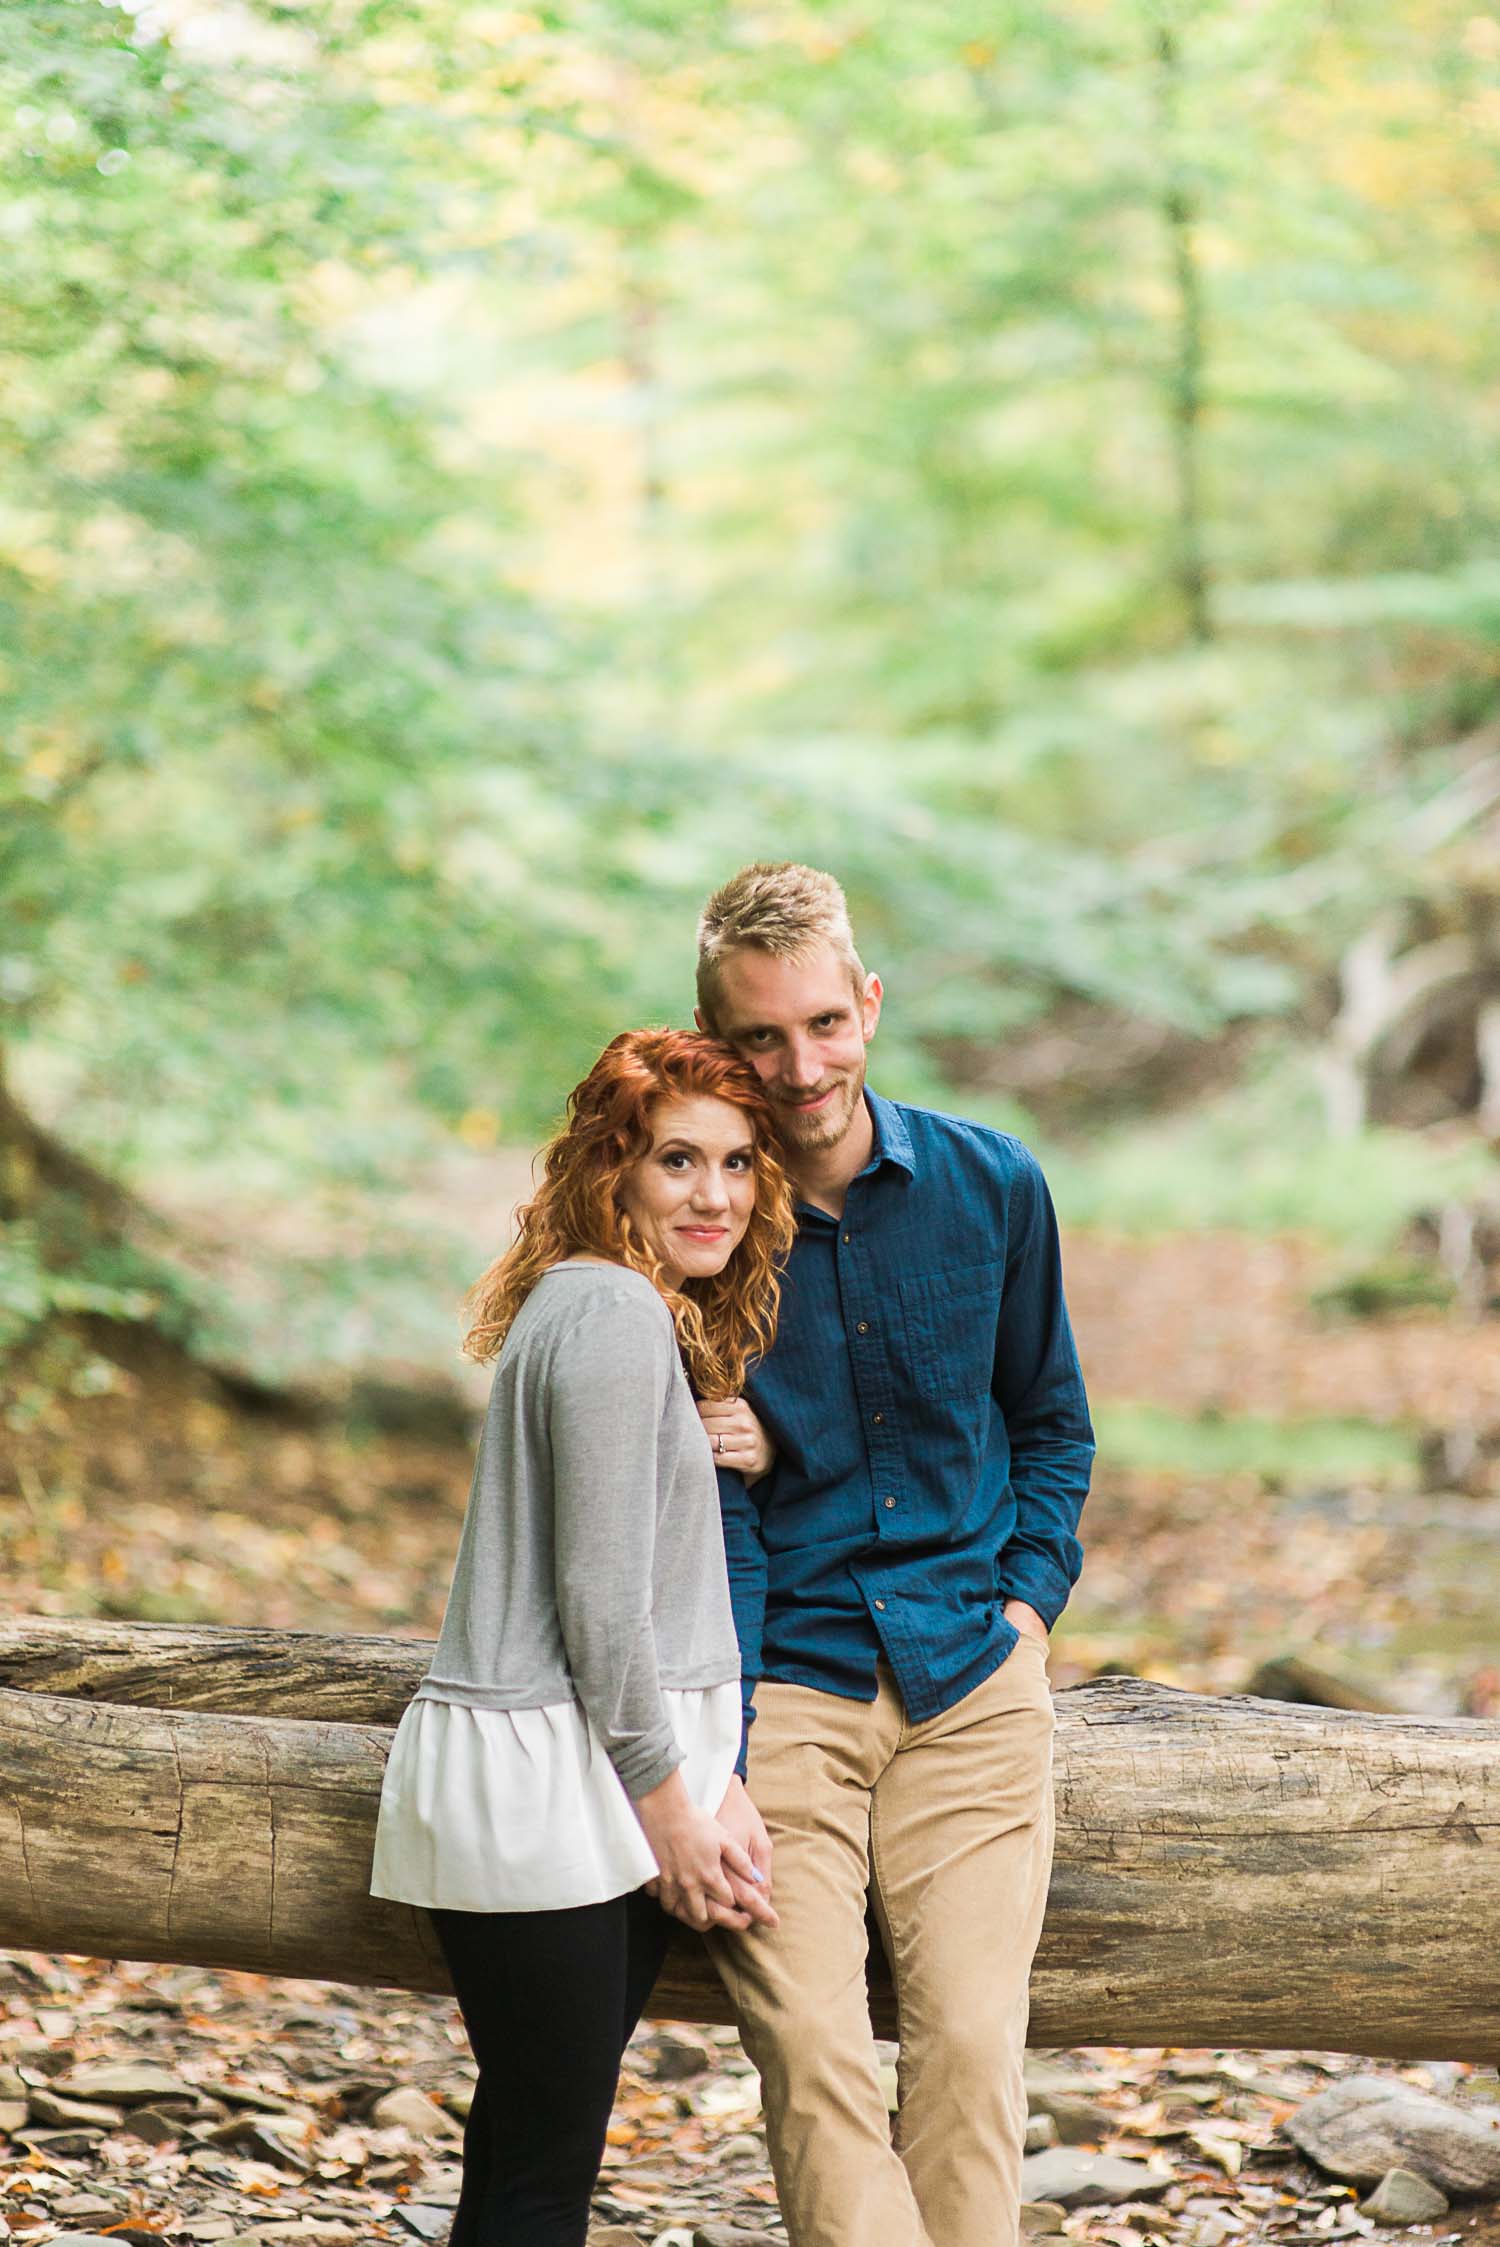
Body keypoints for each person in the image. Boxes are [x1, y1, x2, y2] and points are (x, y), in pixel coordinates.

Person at [692, 863, 1095, 2247]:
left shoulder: (994, 1185)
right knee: (811, 2055)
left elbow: (1052, 1422)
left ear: (868, 1003)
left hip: (971, 1675)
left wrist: (1030, 1611)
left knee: (973, 2049)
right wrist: (719, 1729)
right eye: (758, 1034)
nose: (798, 1066)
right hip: (783, 1685)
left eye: (821, 1022)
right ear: (715, 1036)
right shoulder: (698, 1224)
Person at [370, 1027, 795, 2247]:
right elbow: (601, 1604)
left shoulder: (594, 1305)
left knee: (520, 2152)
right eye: (677, 1160)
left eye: (737, 1162)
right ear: (614, 1173)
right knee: (542, 2182)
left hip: (573, 1779)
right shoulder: (611, 1315)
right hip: (557, 1789)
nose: (714, 1194)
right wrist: (681, 1804)